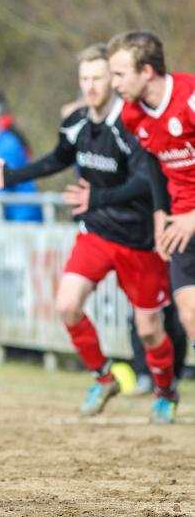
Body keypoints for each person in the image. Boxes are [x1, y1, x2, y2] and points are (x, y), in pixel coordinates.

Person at [0, 43, 177, 423]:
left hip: (139, 240)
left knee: (150, 329)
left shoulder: (131, 124)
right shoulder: (77, 123)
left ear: (112, 80)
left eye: (98, 78)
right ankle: (102, 377)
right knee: (67, 305)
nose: (90, 86)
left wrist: (98, 196)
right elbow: (58, 158)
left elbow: (146, 181)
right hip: (96, 232)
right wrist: (11, 176)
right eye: (84, 79)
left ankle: (166, 391)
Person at [108, 30, 195, 421]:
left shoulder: (190, 99)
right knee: (189, 313)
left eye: (119, 74)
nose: (114, 83)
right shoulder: (132, 113)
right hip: (179, 222)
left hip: (190, 218)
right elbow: (158, 167)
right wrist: (162, 215)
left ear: (147, 70)